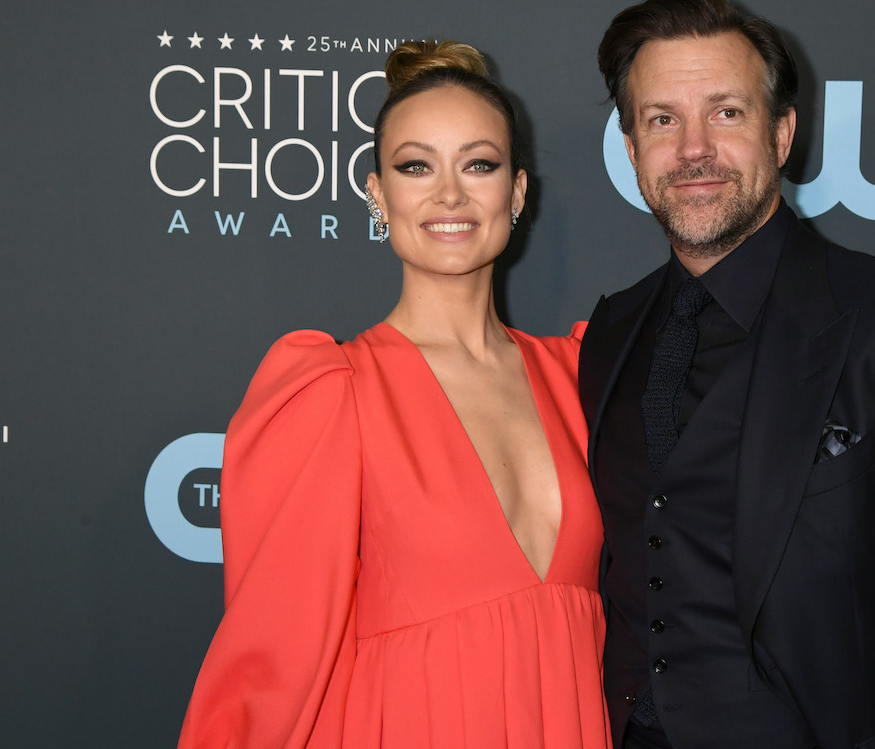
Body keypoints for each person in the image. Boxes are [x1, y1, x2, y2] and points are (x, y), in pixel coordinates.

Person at [579, 0, 875, 749]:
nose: (694, 148)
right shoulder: (613, 330)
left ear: (782, 132)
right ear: (631, 149)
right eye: (663, 119)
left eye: (726, 112)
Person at [178, 40, 611, 749]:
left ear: (519, 191)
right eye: (416, 166)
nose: (449, 194)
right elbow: (272, 655)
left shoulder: (581, 378)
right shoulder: (332, 392)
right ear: (378, 194)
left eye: (479, 164)